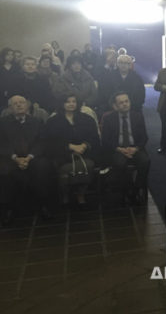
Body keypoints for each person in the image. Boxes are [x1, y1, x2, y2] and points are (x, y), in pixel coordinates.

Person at [0, 95, 53, 225]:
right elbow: (2, 143)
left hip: (33, 157)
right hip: (10, 158)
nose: (19, 105)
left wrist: (29, 157)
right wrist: (15, 158)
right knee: (5, 171)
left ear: (27, 105)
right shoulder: (2, 123)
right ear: (10, 108)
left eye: (22, 102)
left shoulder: (37, 122)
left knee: (43, 167)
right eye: (15, 103)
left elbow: (41, 142)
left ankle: (43, 205)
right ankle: (8, 209)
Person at [44, 93, 100, 205]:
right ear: (62, 103)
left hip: (85, 153)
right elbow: (50, 142)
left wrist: (84, 146)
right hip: (62, 154)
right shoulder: (52, 121)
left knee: (88, 165)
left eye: (74, 101)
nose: (71, 104)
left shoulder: (87, 119)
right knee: (64, 169)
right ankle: (65, 194)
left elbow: (94, 138)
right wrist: (70, 146)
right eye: (67, 101)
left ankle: (81, 194)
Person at [101, 92, 150, 205]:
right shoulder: (109, 118)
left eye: (126, 101)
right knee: (119, 163)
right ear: (115, 106)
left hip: (135, 147)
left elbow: (144, 137)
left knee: (145, 161)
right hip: (118, 148)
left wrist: (136, 149)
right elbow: (105, 140)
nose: (125, 104)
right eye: (121, 103)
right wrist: (119, 149)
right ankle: (126, 188)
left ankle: (137, 187)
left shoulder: (137, 116)